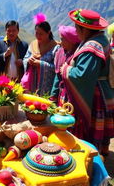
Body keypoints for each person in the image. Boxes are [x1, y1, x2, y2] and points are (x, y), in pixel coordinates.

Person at [60, 9, 114, 155]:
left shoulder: (92, 48)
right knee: (98, 134)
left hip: (94, 96)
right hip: (103, 91)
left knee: (89, 131)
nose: (76, 31)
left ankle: (90, 161)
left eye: (77, 28)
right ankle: (99, 156)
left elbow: (82, 76)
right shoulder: (99, 40)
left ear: (84, 29)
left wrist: (66, 69)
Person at [21, 13, 59, 96]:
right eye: (36, 33)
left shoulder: (55, 48)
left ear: (48, 33)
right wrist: (29, 60)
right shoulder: (33, 45)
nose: (38, 36)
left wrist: (40, 64)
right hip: (31, 85)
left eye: (41, 34)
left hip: (46, 88)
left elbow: (57, 68)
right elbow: (25, 59)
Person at [50, 25, 81, 106]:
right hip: (62, 93)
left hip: (75, 94)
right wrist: (53, 96)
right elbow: (57, 77)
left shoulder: (78, 55)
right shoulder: (60, 53)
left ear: (70, 41)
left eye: (62, 39)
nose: (60, 42)